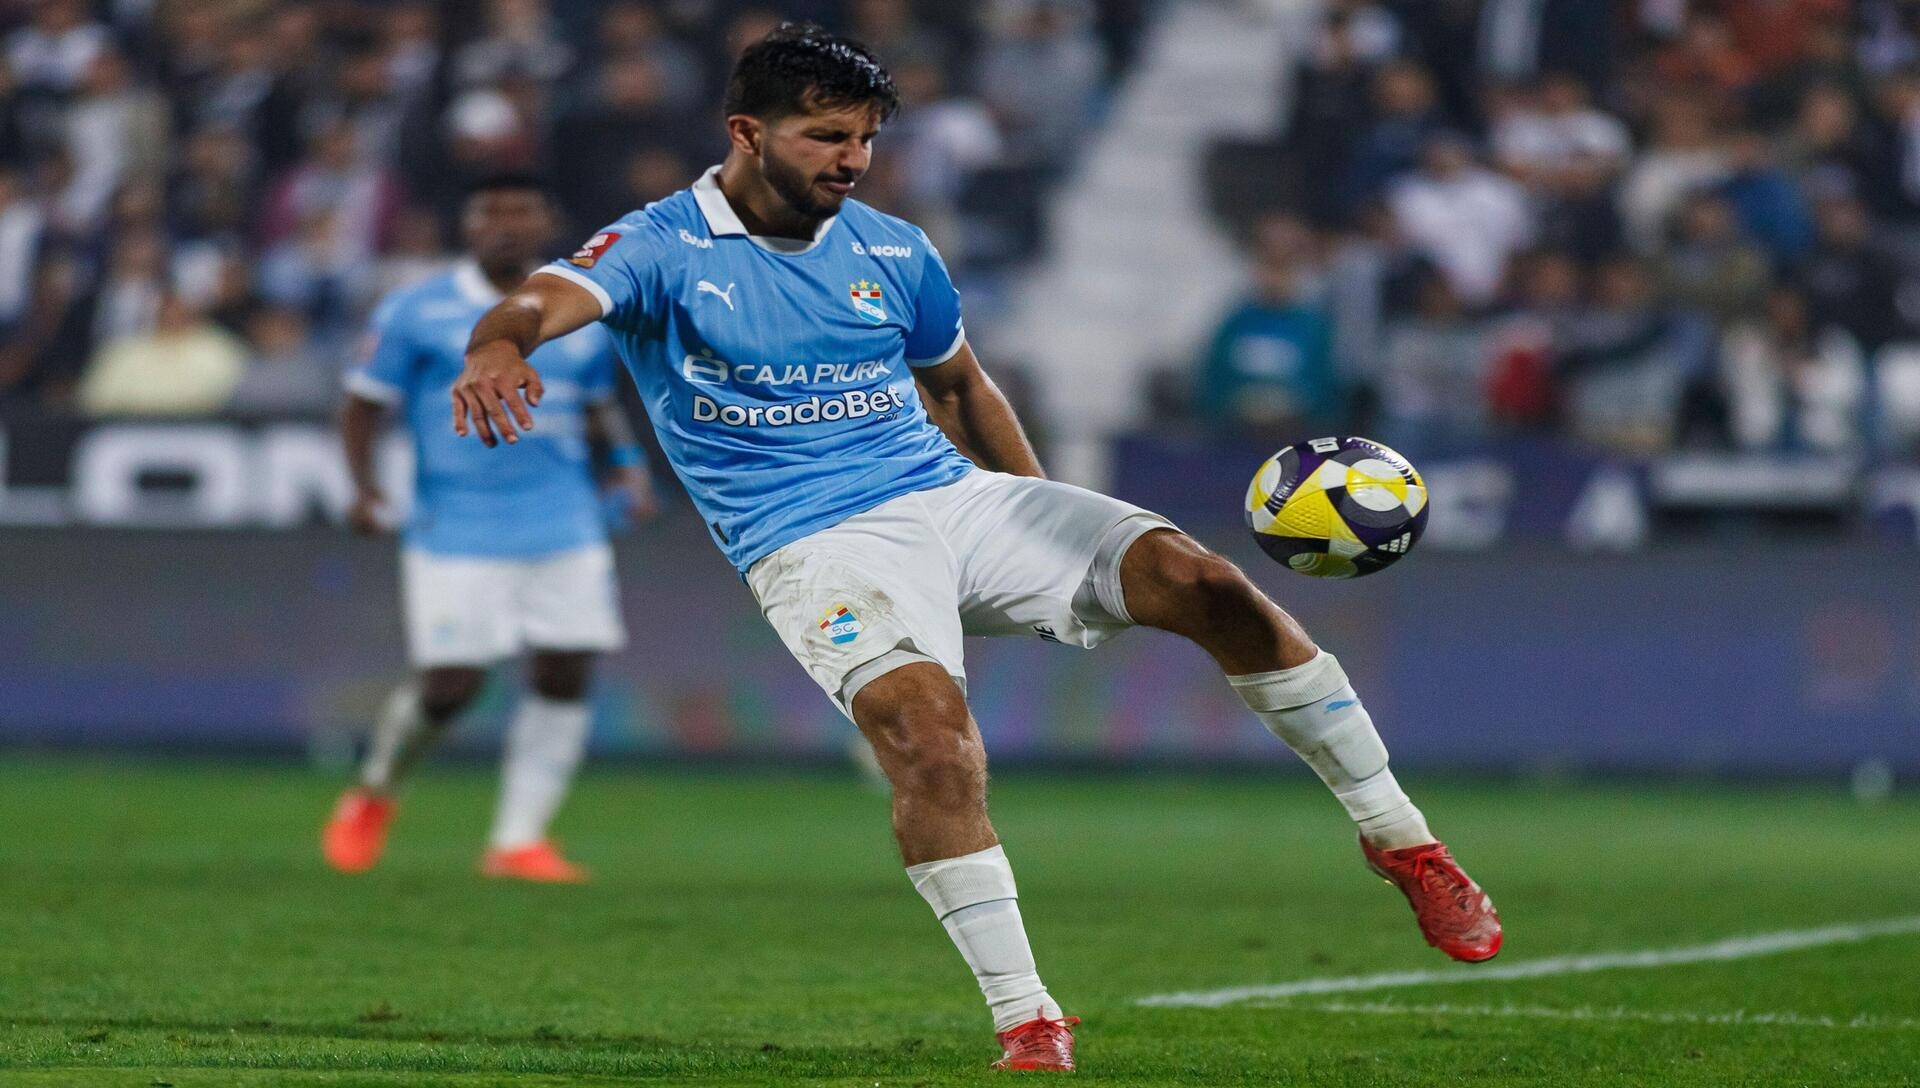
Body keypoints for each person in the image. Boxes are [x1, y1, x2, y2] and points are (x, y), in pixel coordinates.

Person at [449, 26, 1500, 1072]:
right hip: (812, 542)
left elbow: (957, 387)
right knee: (931, 743)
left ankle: (1401, 837)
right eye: (824, 136)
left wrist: (1042, 520)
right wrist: (497, 346)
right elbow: (543, 300)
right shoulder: (663, 245)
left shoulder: (894, 248)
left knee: (1207, 581)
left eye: (862, 138)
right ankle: (1029, 1018)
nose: (850, 160)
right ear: (746, 132)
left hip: (954, 497)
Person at [320, 175, 658, 884]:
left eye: (522, 211)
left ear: (548, 221)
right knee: (452, 685)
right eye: (490, 212)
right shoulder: (417, 310)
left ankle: (517, 840)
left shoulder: (575, 307)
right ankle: (376, 790)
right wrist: (362, 487)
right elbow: (362, 401)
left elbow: (598, 402)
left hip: (565, 517)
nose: (506, 224)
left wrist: (626, 466)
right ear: (467, 225)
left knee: (567, 668)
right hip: (457, 522)